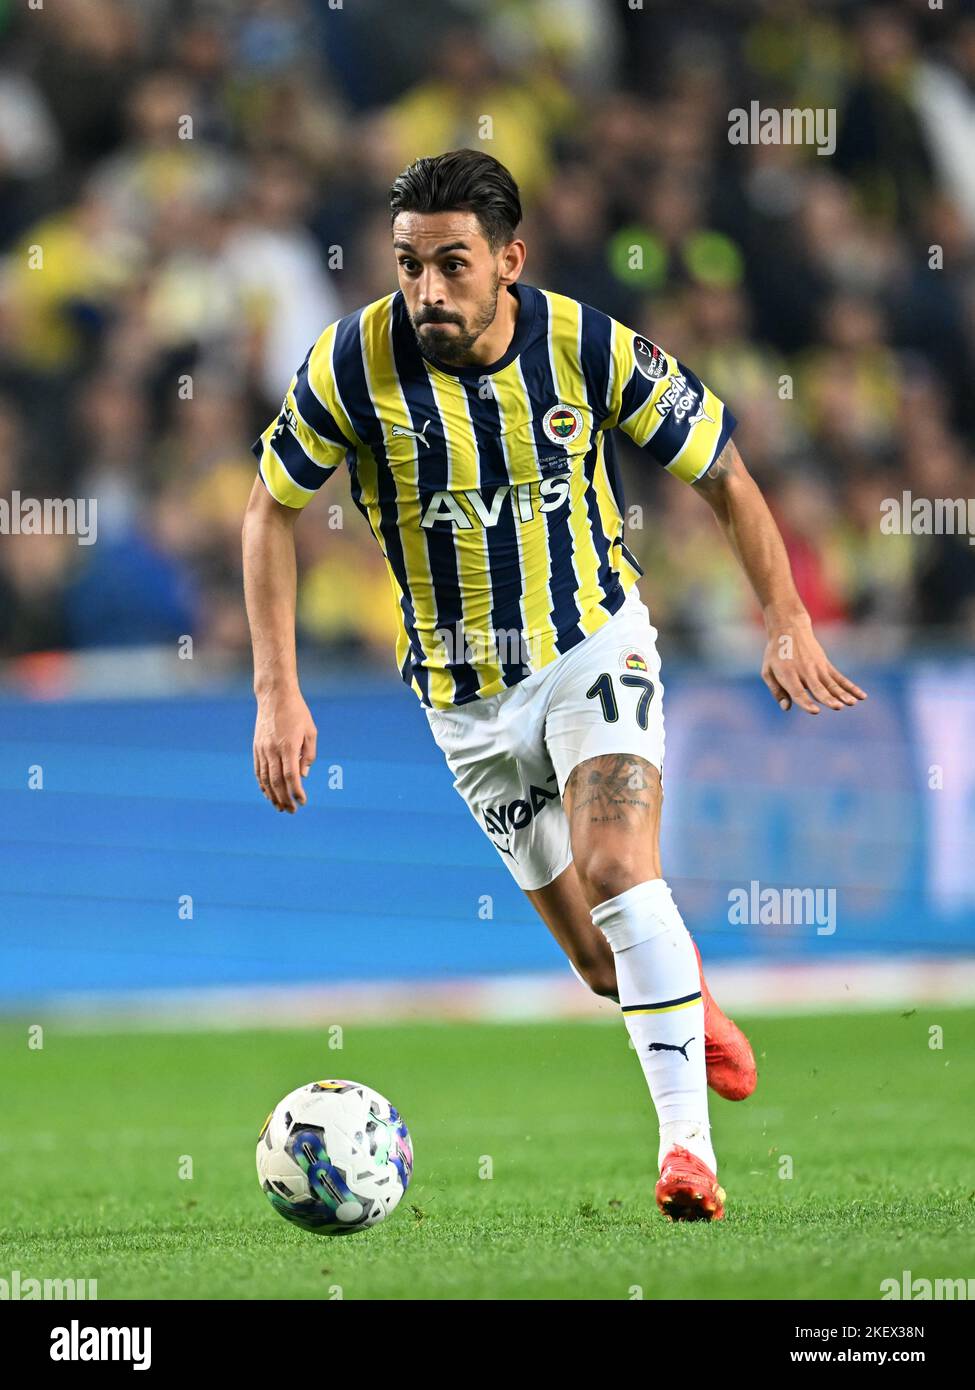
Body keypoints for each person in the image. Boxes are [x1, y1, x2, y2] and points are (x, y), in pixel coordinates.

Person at [242, 149, 867, 1222]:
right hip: (463, 703)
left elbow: (722, 470)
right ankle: (691, 996)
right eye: (407, 266)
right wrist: (276, 689)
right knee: (595, 959)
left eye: (450, 265)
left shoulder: (585, 345)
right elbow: (269, 508)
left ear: (508, 262)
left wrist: (787, 618)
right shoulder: (352, 362)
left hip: (591, 649)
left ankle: (688, 1155)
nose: (426, 290)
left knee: (622, 868)